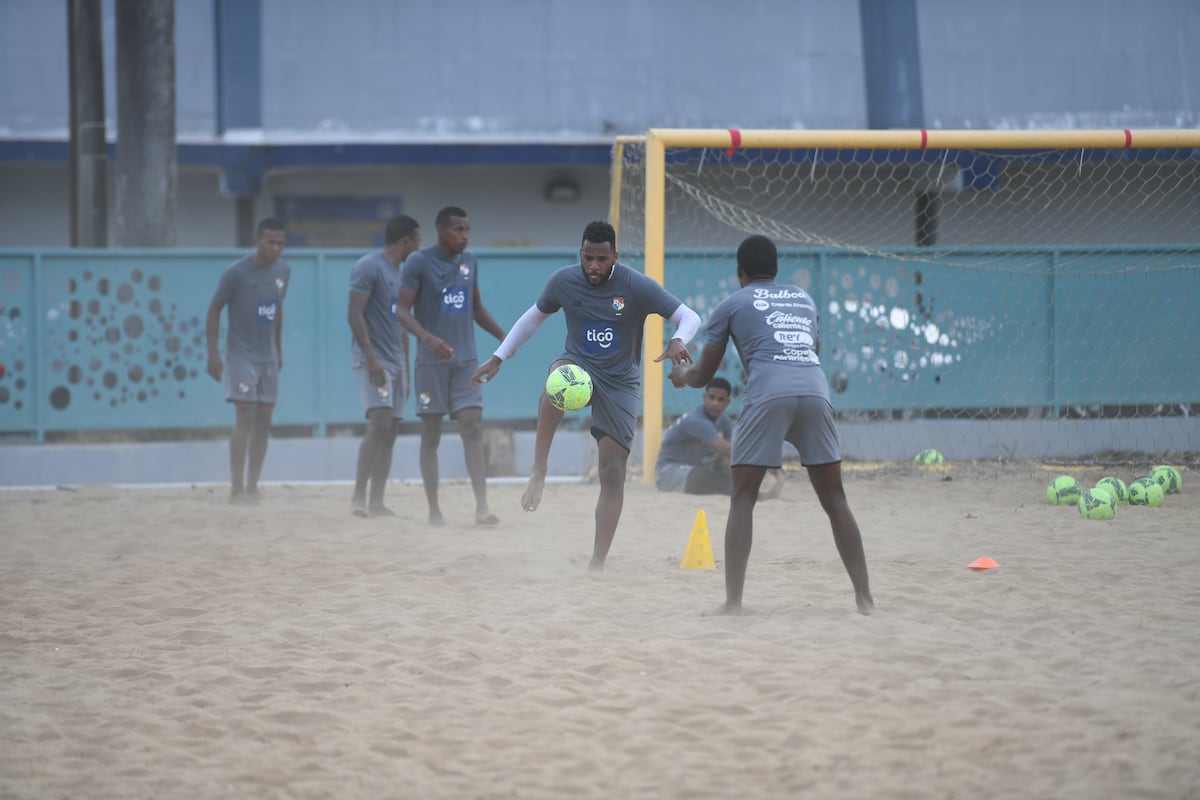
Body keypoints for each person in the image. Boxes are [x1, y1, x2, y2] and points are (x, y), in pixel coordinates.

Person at [471, 220, 701, 572]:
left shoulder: (635, 285)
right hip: (577, 365)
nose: (593, 266)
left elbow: (689, 316)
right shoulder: (563, 280)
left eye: (601, 259)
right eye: (588, 258)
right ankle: (539, 467)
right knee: (557, 379)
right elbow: (532, 319)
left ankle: (597, 562)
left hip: (620, 382)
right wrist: (499, 356)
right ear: (580, 254)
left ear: (614, 257)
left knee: (612, 472)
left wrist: (678, 339)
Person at [668, 234, 875, 616]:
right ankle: (865, 599)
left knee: (743, 497)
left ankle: (732, 604)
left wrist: (681, 373)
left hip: (768, 393)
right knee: (835, 500)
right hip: (815, 389)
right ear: (776, 270)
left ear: (739, 273)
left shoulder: (732, 304)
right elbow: (808, 350)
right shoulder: (804, 299)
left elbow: (703, 375)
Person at [396, 206, 506, 526]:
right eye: (458, 230)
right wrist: (428, 339)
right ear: (441, 231)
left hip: (466, 361)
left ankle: (482, 508)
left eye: (468, 230)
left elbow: (475, 308)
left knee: (472, 426)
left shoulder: (470, 261)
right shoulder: (418, 261)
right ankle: (434, 510)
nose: (465, 236)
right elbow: (402, 311)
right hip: (431, 363)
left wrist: (504, 336)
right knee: (431, 435)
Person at [205, 217, 292, 504]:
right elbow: (215, 308)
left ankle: (253, 486)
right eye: (271, 242)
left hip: (267, 356)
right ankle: (236, 488)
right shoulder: (236, 274)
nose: (276, 248)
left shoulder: (283, 272)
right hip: (241, 355)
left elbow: (275, 310)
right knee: (246, 416)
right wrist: (213, 352)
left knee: (265, 421)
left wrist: (278, 349)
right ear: (258, 241)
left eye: (281, 243)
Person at [347, 214, 421, 518]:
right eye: (418, 240)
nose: (420, 246)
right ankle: (358, 497)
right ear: (406, 240)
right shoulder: (368, 267)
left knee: (390, 430)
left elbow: (401, 324)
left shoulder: (402, 276)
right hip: (372, 360)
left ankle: (377, 501)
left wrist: (405, 366)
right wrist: (371, 357)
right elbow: (354, 314)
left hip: (396, 362)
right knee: (378, 424)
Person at [655, 377, 786, 498]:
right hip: (669, 473)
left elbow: (729, 458)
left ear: (727, 402)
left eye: (720, 399)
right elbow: (727, 449)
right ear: (704, 398)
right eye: (711, 397)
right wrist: (765, 462)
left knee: (727, 472)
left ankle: (749, 493)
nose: (715, 403)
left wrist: (738, 475)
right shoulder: (696, 420)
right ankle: (757, 497)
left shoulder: (724, 422)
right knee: (708, 478)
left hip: (696, 470)